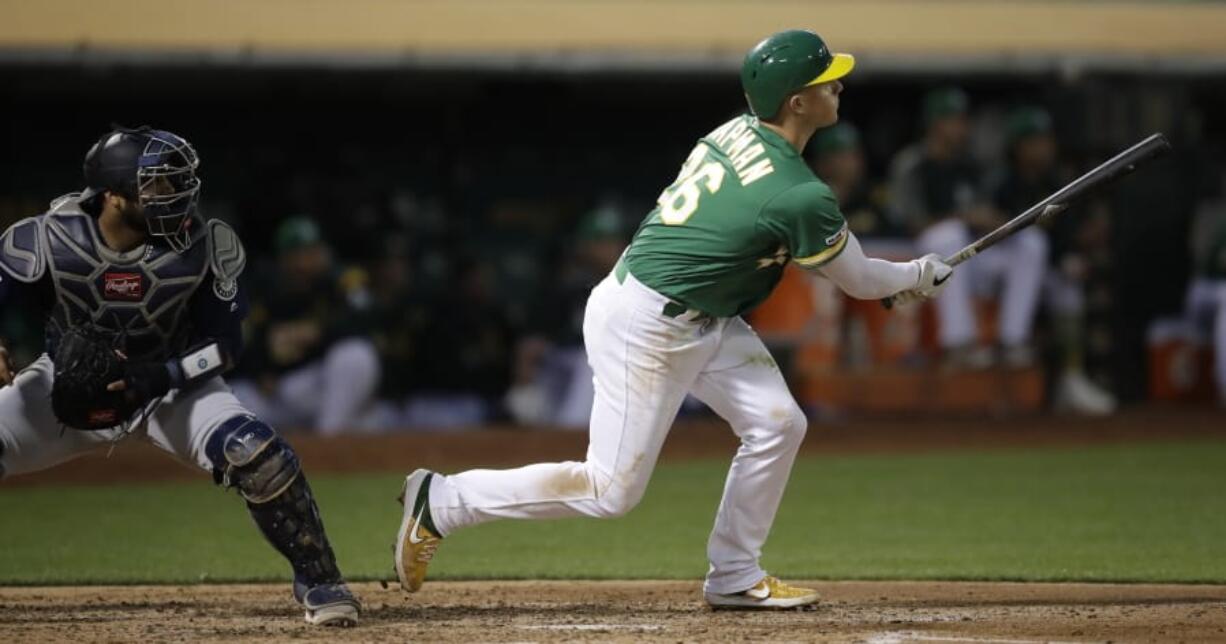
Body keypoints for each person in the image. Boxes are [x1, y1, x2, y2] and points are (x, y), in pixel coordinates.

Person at [391, 30, 953, 609]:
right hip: (648, 325)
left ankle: (734, 572)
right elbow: (858, 280)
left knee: (779, 424)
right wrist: (917, 276)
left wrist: (895, 284)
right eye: (823, 80)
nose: (837, 85)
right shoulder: (798, 193)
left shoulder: (735, 130)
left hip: (701, 315)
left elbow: (810, 257)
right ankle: (444, 501)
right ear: (796, 102)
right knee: (609, 491)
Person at [0, 127, 360, 626]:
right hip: (64, 382)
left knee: (259, 456)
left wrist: (161, 375)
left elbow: (227, 347)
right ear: (114, 196)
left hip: (169, 385)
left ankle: (320, 580)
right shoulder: (42, 239)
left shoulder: (208, 244)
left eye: (179, 184)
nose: (180, 197)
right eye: (161, 187)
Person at [890, 88, 1047, 368]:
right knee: (950, 234)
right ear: (936, 124)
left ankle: (1013, 340)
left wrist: (996, 222)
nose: (961, 126)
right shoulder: (914, 164)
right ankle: (959, 342)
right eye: (953, 120)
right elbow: (908, 223)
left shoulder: (973, 165)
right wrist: (964, 217)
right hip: (925, 260)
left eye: (963, 119)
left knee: (1031, 242)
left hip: (971, 258)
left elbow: (986, 214)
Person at [993, 106, 1116, 413]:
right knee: (1031, 247)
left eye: (1046, 140)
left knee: (1068, 287)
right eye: (1034, 141)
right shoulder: (1003, 184)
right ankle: (1011, 353)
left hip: (1045, 270)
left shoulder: (1057, 181)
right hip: (1002, 269)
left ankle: (1071, 379)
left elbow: (1067, 235)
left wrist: (1078, 247)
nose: (1044, 147)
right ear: (1018, 147)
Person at [231, 216, 382, 434]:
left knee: (356, 355)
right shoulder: (266, 289)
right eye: (298, 253)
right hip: (280, 391)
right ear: (284, 258)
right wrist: (259, 372)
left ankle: (328, 440)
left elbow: (369, 319)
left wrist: (319, 332)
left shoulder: (339, 282)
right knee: (239, 393)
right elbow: (242, 342)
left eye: (311, 252)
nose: (306, 260)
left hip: (321, 387)